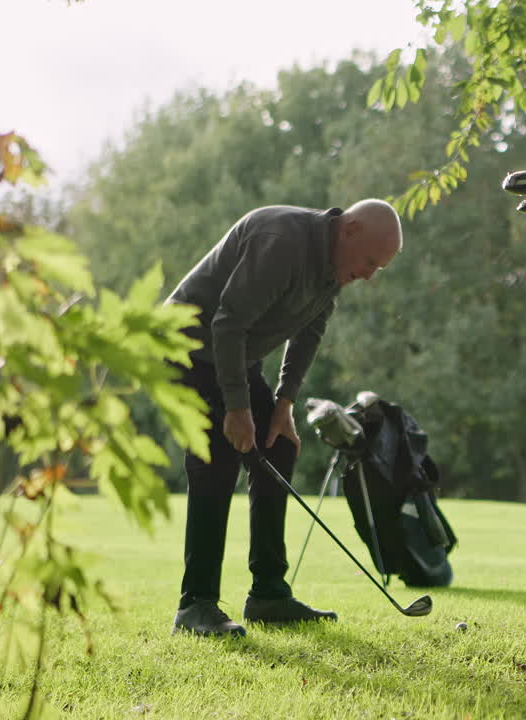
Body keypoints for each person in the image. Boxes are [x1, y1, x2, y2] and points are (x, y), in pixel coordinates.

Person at [166, 200, 402, 637]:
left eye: (379, 269)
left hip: (234, 358)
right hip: (185, 351)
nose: (369, 275)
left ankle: (268, 595)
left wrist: (283, 404)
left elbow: (310, 330)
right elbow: (228, 323)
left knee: (278, 446)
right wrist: (238, 409)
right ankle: (195, 604)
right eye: (370, 262)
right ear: (349, 230)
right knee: (217, 458)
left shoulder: (334, 265)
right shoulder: (281, 242)